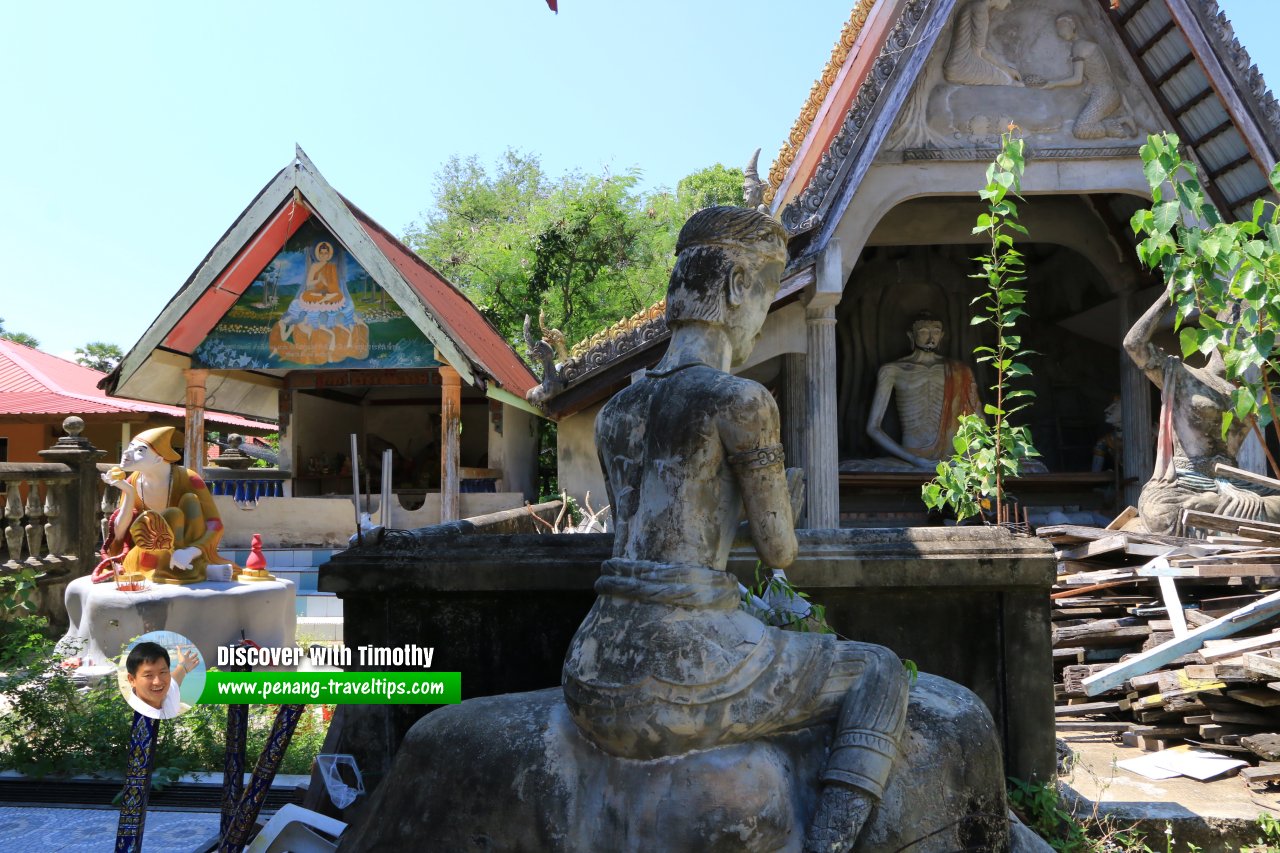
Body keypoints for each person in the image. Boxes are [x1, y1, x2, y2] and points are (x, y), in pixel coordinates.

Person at [563, 206, 909, 853]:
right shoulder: (741, 402)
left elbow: (647, 536)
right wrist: (785, 501)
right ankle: (829, 845)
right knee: (879, 671)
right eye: (765, 293)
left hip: (590, 664)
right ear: (734, 290)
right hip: (686, 663)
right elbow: (779, 550)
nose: (758, 321)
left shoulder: (617, 410)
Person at [1124, 286, 1280, 534]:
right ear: (1218, 333)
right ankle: (1222, 508)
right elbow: (1134, 344)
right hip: (1184, 483)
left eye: (1253, 336)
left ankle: (1216, 505)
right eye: (1240, 333)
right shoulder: (1184, 374)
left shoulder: (1249, 395)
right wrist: (1168, 295)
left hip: (1236, 486)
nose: (1245, 343)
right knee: (1162, 516)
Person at [93, 426, 236, 584]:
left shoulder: (189, 478)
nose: (127, 453)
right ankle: (201, 569)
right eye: (129, 448)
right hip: (148, 552)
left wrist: (190, 552)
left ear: (159, 458)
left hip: (187, 548)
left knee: (185, 504)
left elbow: (215, 525)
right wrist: (129, 492)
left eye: (139, 450)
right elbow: (119, 534)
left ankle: (193, 564)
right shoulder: (131, 481)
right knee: (170, 516)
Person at [865, 312, 981, 469]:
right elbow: (873, 427)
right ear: (911, 335)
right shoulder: (893, 370)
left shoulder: (960, 370)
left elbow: (977, 419)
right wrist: (914, 460)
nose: (930, 337)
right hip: (911, 455)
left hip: (953, 455)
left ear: (942, 335)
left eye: (936, 331)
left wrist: (969, 456)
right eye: (924, 331)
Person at [1033, 14, 1135, 140]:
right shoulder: (1087, 44)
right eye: (1058, 29)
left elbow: (1077, 79)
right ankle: (1119, 122)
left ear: (1073, 25)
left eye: (1061, 27)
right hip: (1107, 92)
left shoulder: (1079, 47)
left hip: (1104, 94)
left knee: (1081, 130)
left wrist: (1052, 84)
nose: (1060, 32)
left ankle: (1119, 123)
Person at [942, 0, 1021, 86]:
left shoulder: (976, 5)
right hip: (963, 65)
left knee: (1006, 78)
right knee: (1008, 81)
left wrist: (1007, 70)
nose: (1009, 2)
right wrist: (1006, 70)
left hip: (961, 62)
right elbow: (980, 52)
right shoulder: (980, 9)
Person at [123, 641, 197, 720]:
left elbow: (176, 677)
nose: (157, 682)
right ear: (132, 680)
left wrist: (183, 665)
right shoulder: (133, 718)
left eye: (162, 672)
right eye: (148, 675)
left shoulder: (168, 693)